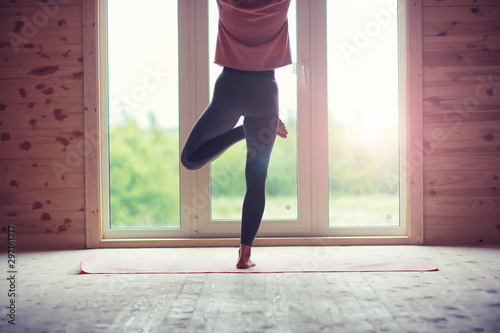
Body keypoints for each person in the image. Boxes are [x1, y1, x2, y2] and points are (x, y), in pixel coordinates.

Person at [181, 0, 292, 268]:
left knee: (190, 159)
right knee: (256, 180)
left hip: (230, 87)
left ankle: (243, 130)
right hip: (265, 93)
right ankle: (244, 257)